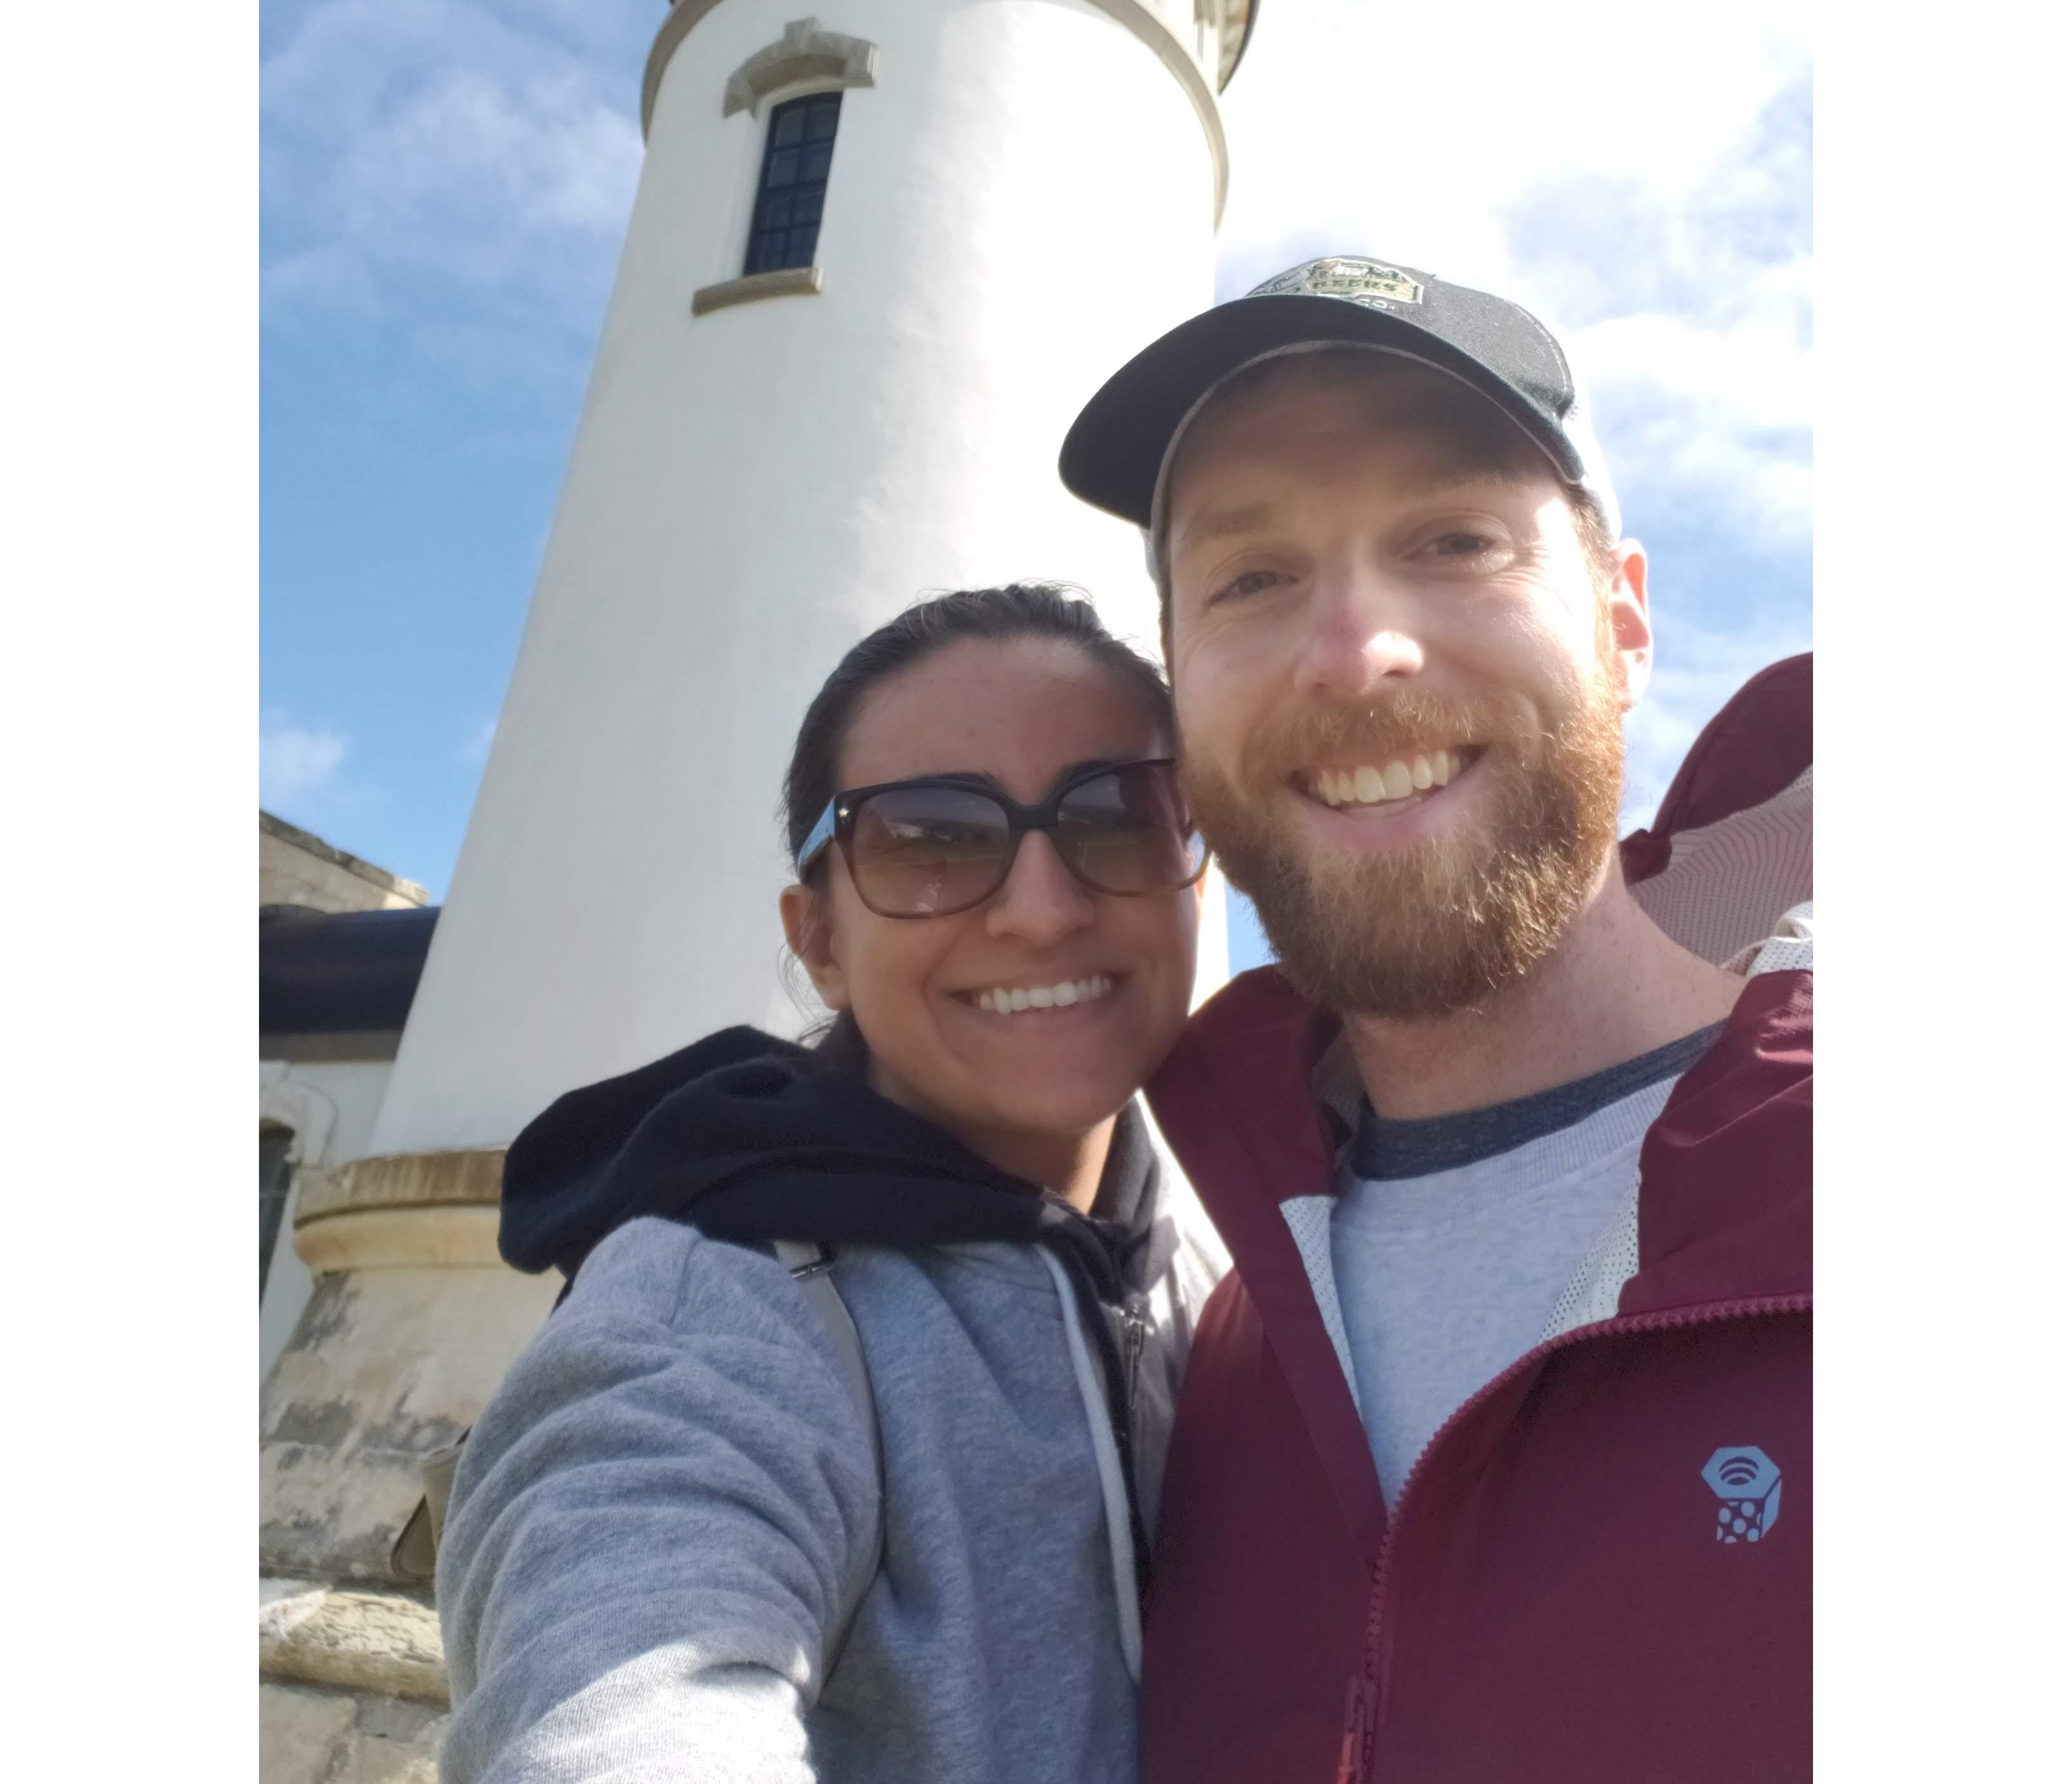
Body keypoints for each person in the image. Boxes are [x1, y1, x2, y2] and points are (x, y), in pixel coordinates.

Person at [1058, 256, 1813, 1783]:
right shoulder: (1192, 1328)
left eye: (1455, 540)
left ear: (1623, 615)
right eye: (1251, 579)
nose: (1356, 652)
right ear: (1178, 692)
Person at [435, 583, 1227, 1784]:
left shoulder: (1250, 1257)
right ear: (820, 941)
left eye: (1116, 814)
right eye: (927, 839)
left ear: (1197, 874)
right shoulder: (710, 1318)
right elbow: (623, 1698)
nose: (1043, 910)